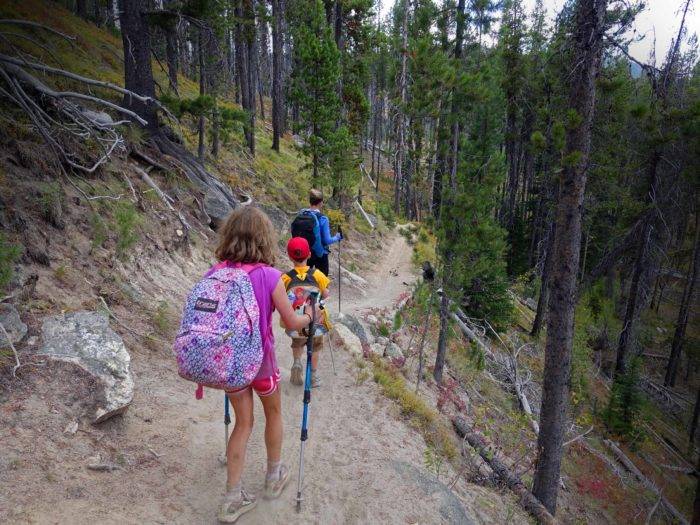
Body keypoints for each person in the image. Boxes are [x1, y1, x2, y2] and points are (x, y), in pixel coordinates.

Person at [212, 207, 313, 524]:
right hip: (261, 363)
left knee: (243, 424)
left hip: (230, 363)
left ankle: (232, 497)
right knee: (273, 413)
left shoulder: (217, 273)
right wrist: (311, 314)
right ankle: (273, 475)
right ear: (265, 239)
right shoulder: (270, 277)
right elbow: (292, 322)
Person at [281, 237, 331, 388]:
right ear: (309, 254)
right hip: (315, 323)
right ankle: (313, 375)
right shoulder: (317, 275)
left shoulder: (285, 278)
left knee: (297, 343)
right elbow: (326, 293)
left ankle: (297, 363)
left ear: (289, 256)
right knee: (315, 347)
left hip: (296, 323)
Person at [291, 189, 342, 276]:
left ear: (310, 201)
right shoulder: (323, 218)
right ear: (321, 203)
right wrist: (337, 237)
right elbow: (327, 240)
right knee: (322, 282)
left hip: (304, 252)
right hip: (319, 254)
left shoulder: (301, 214)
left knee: (304, 280)